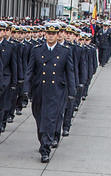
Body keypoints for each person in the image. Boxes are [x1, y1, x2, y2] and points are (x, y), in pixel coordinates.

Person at [23, 22, 75, 163]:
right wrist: (26, 89)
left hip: (56, 90)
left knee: (50, 120)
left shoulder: (65, 51)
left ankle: (45, 148)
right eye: (48, 33)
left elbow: (69, 72)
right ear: (45, 34)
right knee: (39, 119)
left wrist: (72, 91)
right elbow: (30, 71)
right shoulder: (36, 50)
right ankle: (43, 139)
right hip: (39, 90)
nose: (51, 36)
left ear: (58, 35)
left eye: (53, 34)